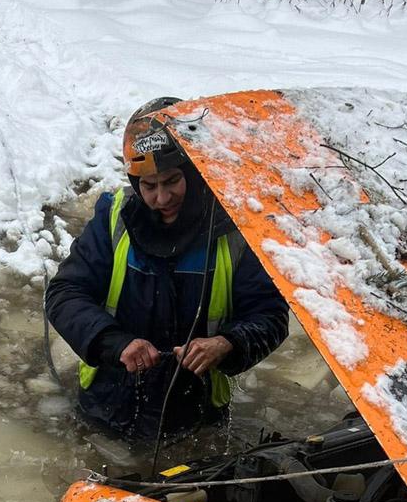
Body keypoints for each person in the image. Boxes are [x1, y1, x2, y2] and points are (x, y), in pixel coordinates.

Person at [44, 97, 289, 442]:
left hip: (197, 417)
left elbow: (271, 315)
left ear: (195, 170)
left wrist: (227, 343)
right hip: (107, 409)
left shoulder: (235, 231)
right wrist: (115, 343)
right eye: (149, 186)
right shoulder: (114, 217)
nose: (161, 198)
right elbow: (64, 294)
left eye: (172, 180)